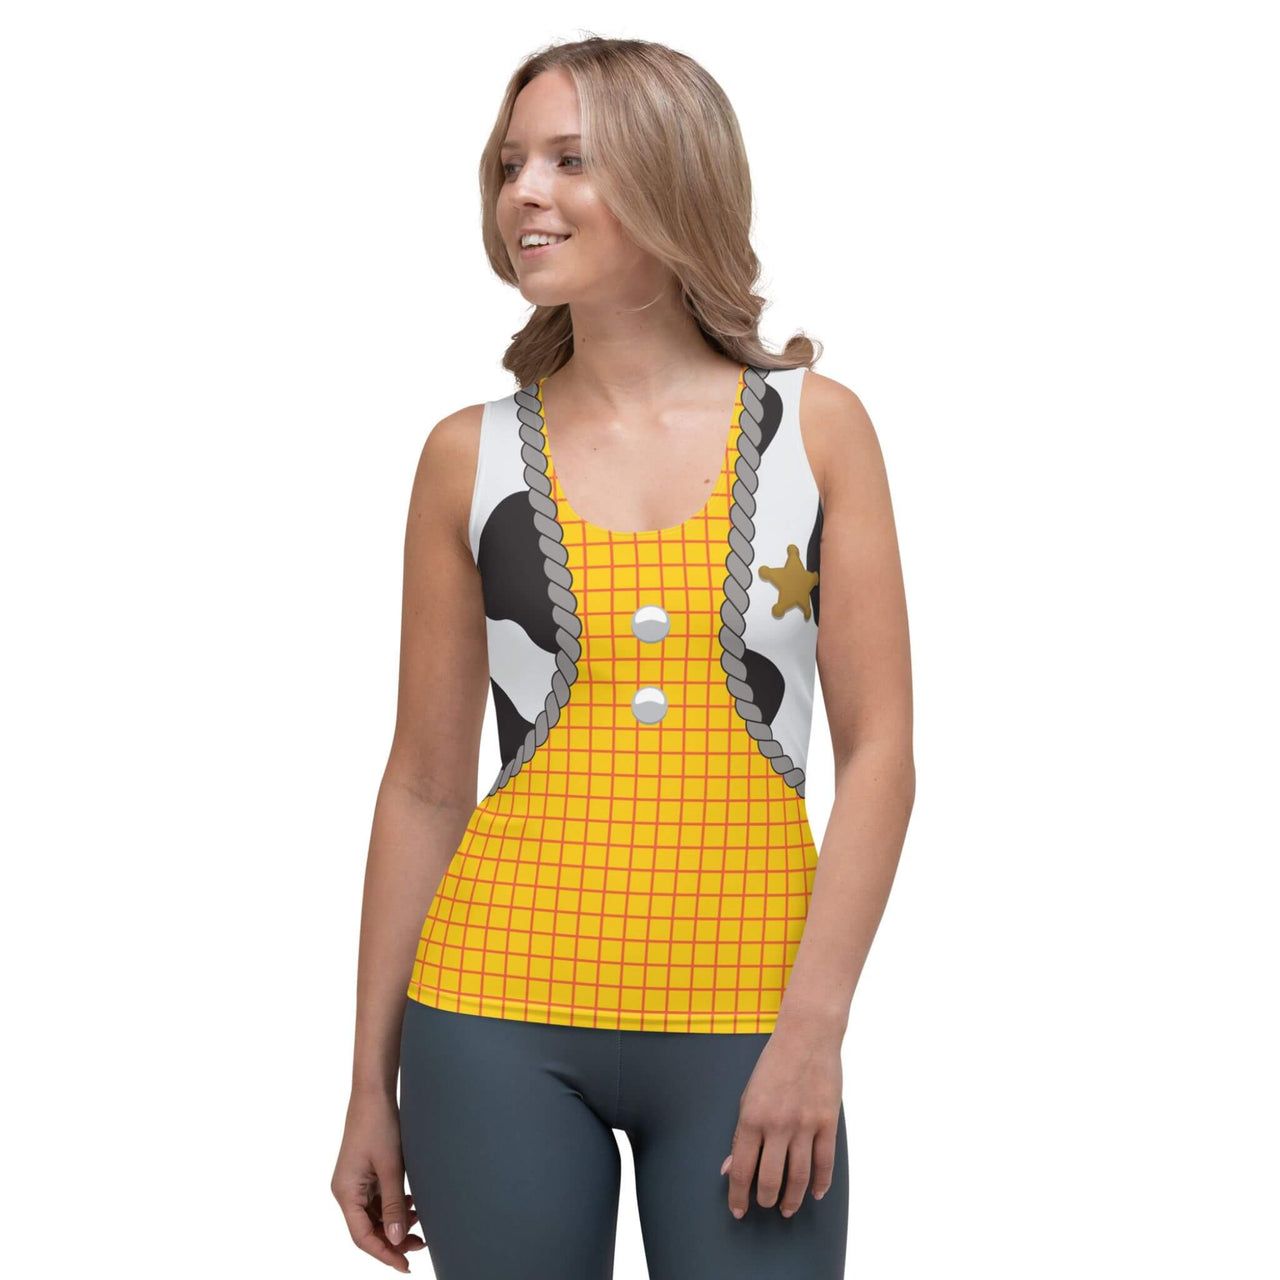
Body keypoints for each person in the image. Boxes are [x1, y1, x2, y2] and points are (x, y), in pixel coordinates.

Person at [331, 35, 914, 1279]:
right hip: (487, 1014)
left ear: (670, 175)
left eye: (568, 160)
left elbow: (880, 756)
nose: (523, 193)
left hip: (749, 1023)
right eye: (510, 164)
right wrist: (368, 1083)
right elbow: (424, 785)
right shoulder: (463, 456)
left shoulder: (816, 432)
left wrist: (812, 1031)